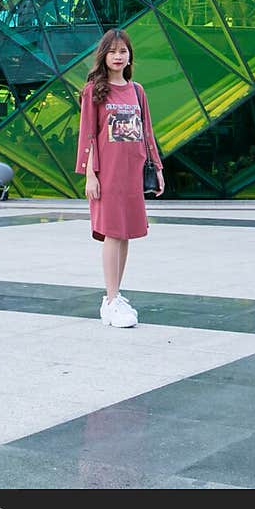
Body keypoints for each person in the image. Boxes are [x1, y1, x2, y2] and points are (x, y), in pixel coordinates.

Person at [75, 28, 164, 327]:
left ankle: (115, 295)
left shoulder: (138, 91)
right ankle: (110, 300)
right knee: (112, 232)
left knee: (125, 234)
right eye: (112, 51)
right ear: (104, 55)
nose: (118, 56)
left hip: (133, 171)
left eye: (122, 51)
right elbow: (88, 136)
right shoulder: (94, 91)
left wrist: (157, 169)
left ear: (129, 57)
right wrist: (90, 175)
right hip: (107, 172)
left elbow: (147, 132)